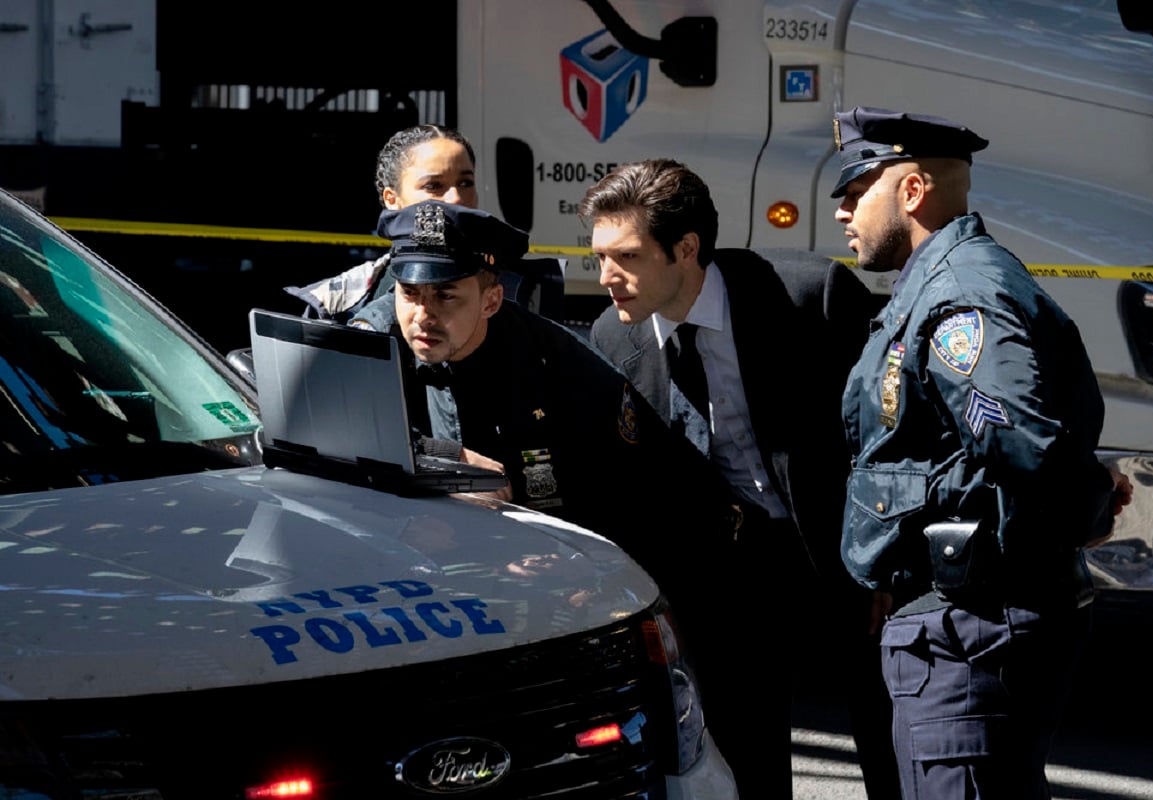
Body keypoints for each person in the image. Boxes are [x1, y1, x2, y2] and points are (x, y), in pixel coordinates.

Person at [830, 106, 1135, 800]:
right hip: (956, 617)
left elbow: (1017, 436)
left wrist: (1088, 500)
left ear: (911, 191)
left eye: (856, 192)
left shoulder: (959, 292)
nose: (844, 213)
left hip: (973, 625)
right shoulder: (938, 283)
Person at [578, 159, 900, 800]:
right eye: (599, 256)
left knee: (893, 745)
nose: (606, 277)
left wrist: (885, 560)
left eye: (627, 256)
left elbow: (887, 434)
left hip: (836, 548)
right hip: (725, 572)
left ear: (687, 249)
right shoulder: (614, 338)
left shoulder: (809, 296)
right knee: (747, 761)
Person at [347, 198, 747, 671]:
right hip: (421, 584)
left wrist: (576, 560)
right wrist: (441, 461)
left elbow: (641, 491)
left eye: (446, 296)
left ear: (491, 300)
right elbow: (322, 435)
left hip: (548, 584)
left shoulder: (564, 371)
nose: (423, 315)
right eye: (409, 293)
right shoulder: (372, 347)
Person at [285, 124, 561, 323]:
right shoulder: (337, 301)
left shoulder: (525, 289)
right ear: (392, 199)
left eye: (466, 183)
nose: (455, 198)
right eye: (434, 186)